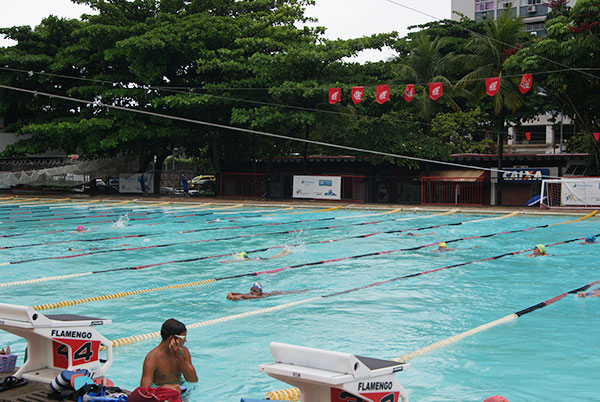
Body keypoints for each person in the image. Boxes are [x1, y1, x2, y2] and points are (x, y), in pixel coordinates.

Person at [140, 318, 198, 393]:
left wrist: (179, 357)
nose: (185, 340)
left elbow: (193, 380)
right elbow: (144, 391)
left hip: (181, 392)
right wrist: (163, 388)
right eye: (183, 337)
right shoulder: (152, 358)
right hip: (162, 395)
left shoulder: (183, 352)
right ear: (172, 339)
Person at [226, 282, 308, 301]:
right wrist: (230, 294)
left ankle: (300, 291)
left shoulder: (262, 295)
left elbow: (248, 297)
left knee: (290, 292)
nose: (253, 292)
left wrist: (241, 297)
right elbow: (241, 294)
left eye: (255, 291)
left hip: (276, 293)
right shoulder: (251, 294)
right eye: (252, 290)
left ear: (260, 291)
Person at [221, 248, 291, 263]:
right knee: (272, 257)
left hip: (259, 259)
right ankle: (284, 251)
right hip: (258, 258)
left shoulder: (243, 259)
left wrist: (225, 261)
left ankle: (287, 253)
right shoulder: (246, 258)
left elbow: (233, 261)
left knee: (273, 258)